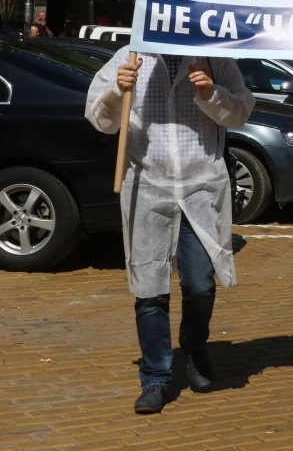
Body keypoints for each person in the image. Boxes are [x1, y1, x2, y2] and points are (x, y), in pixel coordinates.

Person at [85, 50, 255, 414]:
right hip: (147, 185)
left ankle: (193, 346)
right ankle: (155, 377)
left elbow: (241, 112)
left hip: (202, 186)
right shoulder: (130, 56)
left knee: (200, 284)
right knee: (149, 288)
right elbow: (100, 120)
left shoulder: (214, 58)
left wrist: (211, 92)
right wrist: (117, 90)